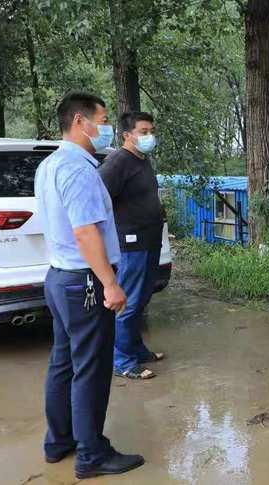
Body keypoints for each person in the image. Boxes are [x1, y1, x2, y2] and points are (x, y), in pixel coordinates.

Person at [35, 92, 145, 479]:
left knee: (64, 363)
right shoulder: (78, 170)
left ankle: (59, 441)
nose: (107, 127)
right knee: (91, 369)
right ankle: (92, 455)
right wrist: (110, 283)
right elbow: (85, 232)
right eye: (103, 119)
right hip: (84, 281)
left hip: (60, 277)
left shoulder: (50, 164)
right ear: (80, 122)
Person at [98, 111, 165, 380]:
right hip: (131, 243)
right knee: (129, 302)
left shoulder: (142, 160)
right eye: (144, 132)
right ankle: (122, 361)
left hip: (150, 239)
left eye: (151, 131)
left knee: (141, 299)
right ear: (127, 135)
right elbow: (98, 198)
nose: (150, 136)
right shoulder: (117, 162)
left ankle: (136, 350)